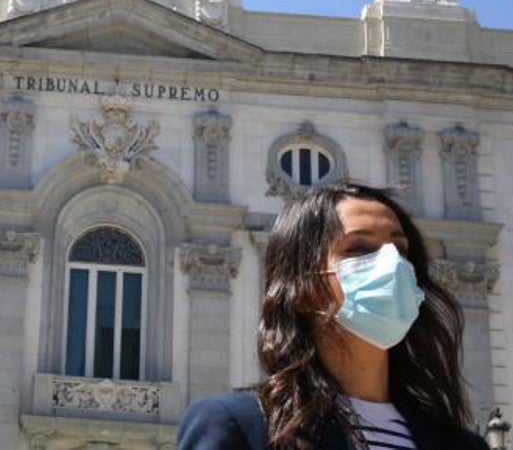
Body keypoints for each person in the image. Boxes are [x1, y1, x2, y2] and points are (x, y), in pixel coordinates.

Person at [178, 183, 488, 450]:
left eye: (400, 249)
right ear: (302, 285)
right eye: (359, 249)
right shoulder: (243, 426)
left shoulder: (461, 444)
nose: (392, 264)